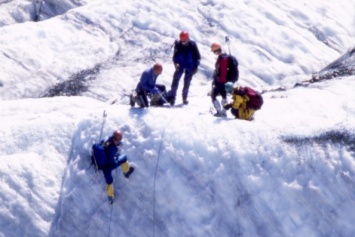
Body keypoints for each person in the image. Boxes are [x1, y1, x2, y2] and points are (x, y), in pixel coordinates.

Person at [167, 31, 201, 105]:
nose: (183, 42)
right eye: (182, 41)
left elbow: (198, 57)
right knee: (175, 80)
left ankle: (184, 98)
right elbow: (175, 56)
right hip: (180, 65)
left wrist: (196, 66)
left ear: (188, 39)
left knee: (187, 82)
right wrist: (176, 63)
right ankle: (172, 97)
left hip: (190, 65)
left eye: (184, 41)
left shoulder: (193, 45)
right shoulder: (178, 44)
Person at [102, 130, 134, 204]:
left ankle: (110, 199)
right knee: (124, 157)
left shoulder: (107, 141)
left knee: (109, 181)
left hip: (103, 165)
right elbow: (111, 161)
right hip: (109, 165)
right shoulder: (113, 148)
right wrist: (116, 157)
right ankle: (126, 173)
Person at [210, 42, 229, 117]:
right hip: (223, 80)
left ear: (217, 50)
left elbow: (223, 71)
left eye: (214, 51)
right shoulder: (223, 57)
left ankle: (219, 112)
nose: (214, 53)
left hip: (220, 80)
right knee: (224, 95)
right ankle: (224, 112)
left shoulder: (223, 59)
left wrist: (219, 80)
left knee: (213, 95)